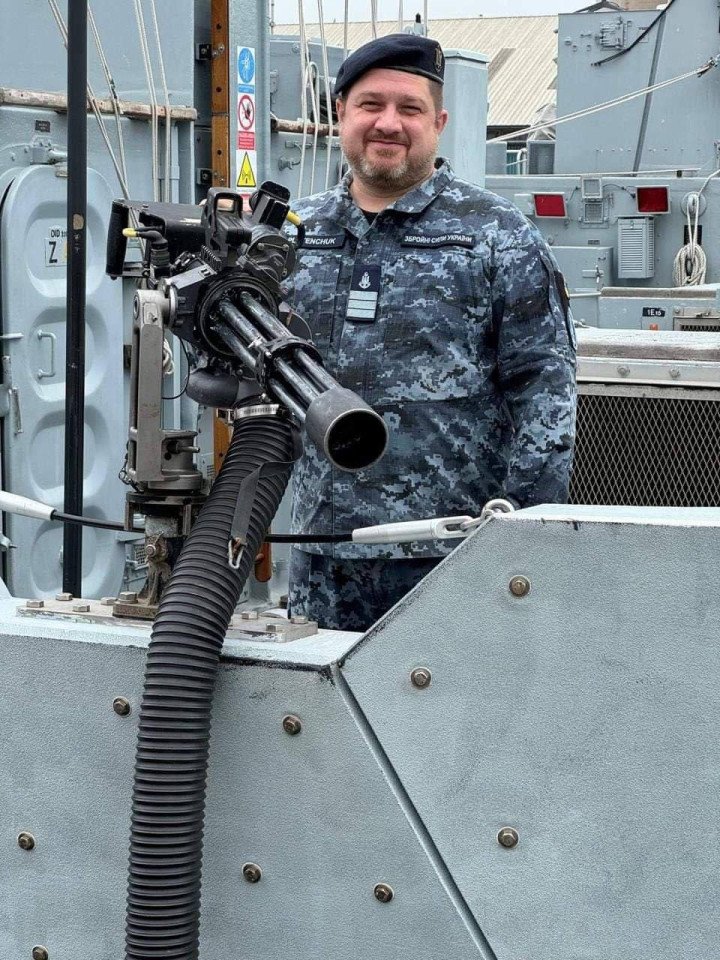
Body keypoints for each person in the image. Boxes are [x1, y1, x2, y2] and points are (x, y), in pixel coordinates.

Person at [283, 33, 576, 631]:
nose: (388, 123)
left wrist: (521, 534)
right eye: (371, 105)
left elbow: (545, 392)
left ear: (437, 122)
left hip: (451, 556)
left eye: (409, 109)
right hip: (322, 553)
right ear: (340, 113)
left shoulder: (497, 236)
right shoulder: (293, 235)